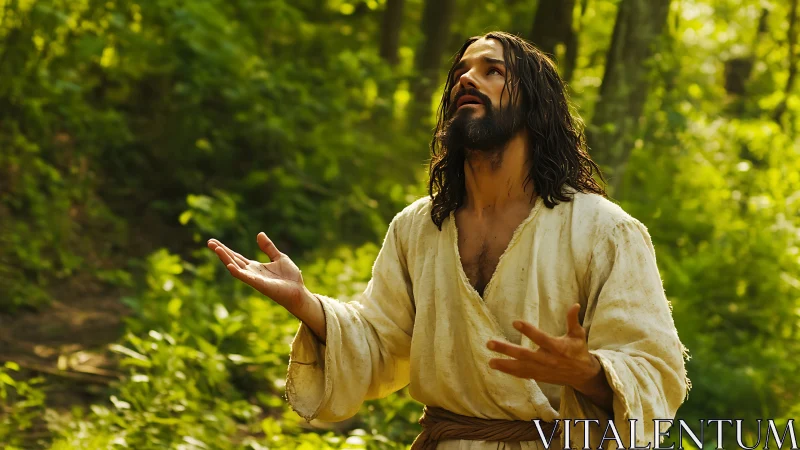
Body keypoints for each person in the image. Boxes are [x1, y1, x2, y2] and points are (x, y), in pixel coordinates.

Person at [207, 31, 691, 450]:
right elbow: (379, 343)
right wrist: (306, 304)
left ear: (534, 105)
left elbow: (656, 373)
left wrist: (587, 372)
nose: (466, 79)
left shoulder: (603, 230)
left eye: (492, 70)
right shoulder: (419, 227)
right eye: (461, 71)